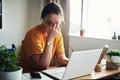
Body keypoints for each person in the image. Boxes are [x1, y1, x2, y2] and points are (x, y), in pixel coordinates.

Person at [17, 2, 69, 72]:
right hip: (27, 73)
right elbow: (42, 65)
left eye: (57, 23)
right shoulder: (32, 34)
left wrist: (73, 62)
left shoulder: (58, 34)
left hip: (44, 72)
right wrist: (50, 39)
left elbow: (61, 59)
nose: (52, 27)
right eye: (48, 22)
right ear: (42, 19)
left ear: (61, 22)